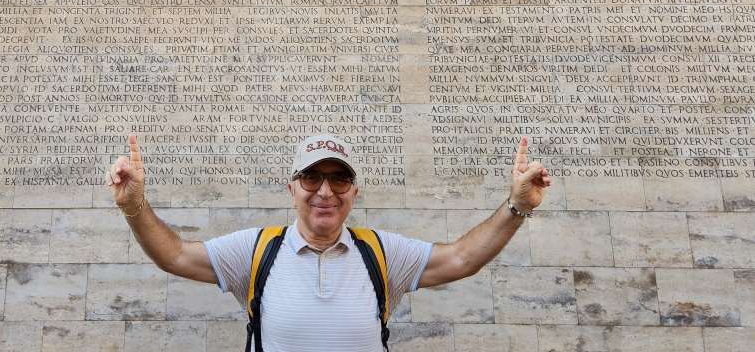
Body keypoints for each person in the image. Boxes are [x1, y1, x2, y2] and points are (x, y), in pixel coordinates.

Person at [108, 133, 551, 351]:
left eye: (339, 179)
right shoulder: (256, 250)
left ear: (354, 192)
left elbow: (462, 258)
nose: (325, 191)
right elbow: (173, 255)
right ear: (292, 188)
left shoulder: (380, 253)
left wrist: (517, 206)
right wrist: (135, 204)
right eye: (312, 177)